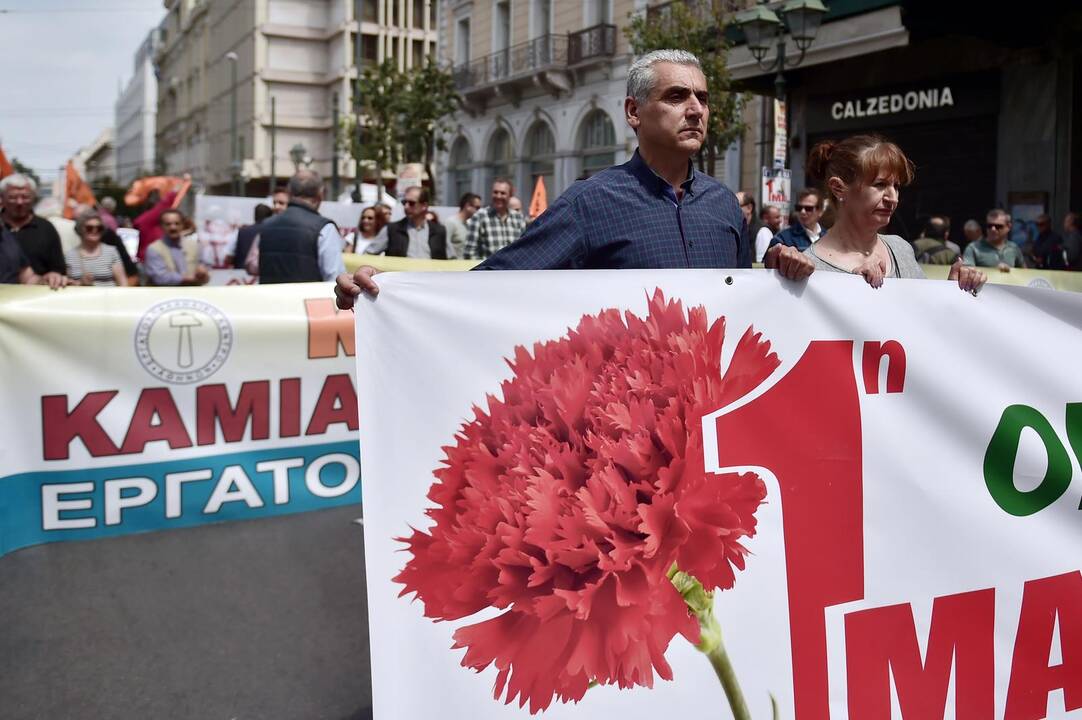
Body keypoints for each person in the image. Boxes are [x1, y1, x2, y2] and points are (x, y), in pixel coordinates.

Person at [336, 48, 812, 306]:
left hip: (715, 419)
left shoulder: (725, 205)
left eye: (702, 98)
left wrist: (783, 272)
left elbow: (742, 300)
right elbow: (496, 283)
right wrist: (388, 289)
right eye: (676, 96)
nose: (695, 109)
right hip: (630, 430)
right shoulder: (593, 202)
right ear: (633, 111)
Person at [802, 134, 984, 293]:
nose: (893, 198)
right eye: (880, 185)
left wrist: (953, 290)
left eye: (896, 186)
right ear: (838, 189)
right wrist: (853, 289)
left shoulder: (900, 248)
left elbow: (923, 318)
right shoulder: (808, 267)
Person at [249, 169, 347, 283]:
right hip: (307, 299)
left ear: (289, 192)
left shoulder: (266, 225)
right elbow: (335, 278)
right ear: (321, 194)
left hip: (269, 299)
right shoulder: (325, 228)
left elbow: (255, 266)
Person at [0, 174, 68, 289]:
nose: (19, 202)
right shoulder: (2, 230)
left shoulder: (46, 228)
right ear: (2, 198)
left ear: (34, 197)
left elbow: (28, 276)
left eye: (25, 197)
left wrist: (51, 278)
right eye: (12, 197)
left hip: (34, 300)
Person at [462, 178, 527, 260]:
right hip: (488, 271)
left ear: (510, 195)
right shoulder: (479, 217)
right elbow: (469, 252)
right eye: (495, 192)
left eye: (503, 193)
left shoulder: (518, 218)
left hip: (513, 270)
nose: (498, 196)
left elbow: (523, 248)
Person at [380, 186, 449, 259]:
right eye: (404, 202)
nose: (406, 206)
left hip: (430, 270)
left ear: (424, 206)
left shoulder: (440, 231)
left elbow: (453, 259)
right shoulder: (391, 229)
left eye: (411, 203)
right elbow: (370, 253)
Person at [144, 209, 209, 286]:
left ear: (183, 225)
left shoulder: (195, 245)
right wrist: (188, 278)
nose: (173, 227)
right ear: (161, 226)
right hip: (165, 295)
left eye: (177, 223)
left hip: (192, 294)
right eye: (168, 224)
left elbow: (206, 269)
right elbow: (160, 278)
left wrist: (203, 274)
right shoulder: (154, 249)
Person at [65, 212, 126, 287]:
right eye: (89, 228)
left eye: (99, 228)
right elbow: (66, 285)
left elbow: (123, 283)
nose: (95, 230)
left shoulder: (111, 252)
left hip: (108, 297)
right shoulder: (70, 255)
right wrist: (80, 283)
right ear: (80, 229)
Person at [769, 188, 825, 252]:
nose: (803, 212)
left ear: (820, 211)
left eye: (808, 208)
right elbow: (768, 261)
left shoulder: (828, 237)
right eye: (799, 208)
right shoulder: (781, 238)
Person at [227, 203, 272, 269]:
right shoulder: (272, 232)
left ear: (255, 216)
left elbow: (229, 256)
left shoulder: (241, 231)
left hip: (241, 273)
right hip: (265, 274)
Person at [442, 192, 482, 259]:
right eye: (477, 208)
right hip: (454, 267)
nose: (479, 211)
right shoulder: (450, 222)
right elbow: (444, 245)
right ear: (468, 206)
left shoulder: (468, 225)